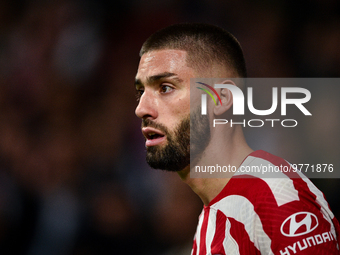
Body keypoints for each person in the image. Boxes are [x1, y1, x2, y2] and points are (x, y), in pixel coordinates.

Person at [134, 23, 340, 254]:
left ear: (222, 98)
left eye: (165, 88)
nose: (141, 109)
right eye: (141, 92)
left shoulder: (277, 199)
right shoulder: (211, 221)